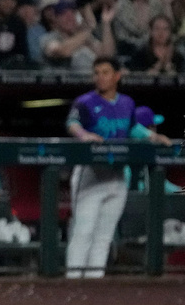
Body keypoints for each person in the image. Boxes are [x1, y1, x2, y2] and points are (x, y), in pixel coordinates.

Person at [65, 57, 173, 279]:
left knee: (104, 237)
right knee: (82, 233)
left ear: (117, 76)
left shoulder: (127, 103)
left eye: (105, 72)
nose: (100, 77)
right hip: (90, 174)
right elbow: (72, 124)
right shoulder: (85, 102)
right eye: (97, 72)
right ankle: (73, 284)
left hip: (116, 176)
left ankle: (94, 284)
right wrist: (84, 135)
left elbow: (133, 128)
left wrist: (153, 135)